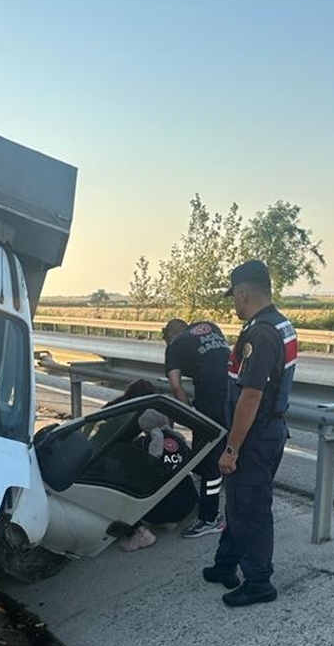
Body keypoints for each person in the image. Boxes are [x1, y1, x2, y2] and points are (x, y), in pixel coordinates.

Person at [203, 260, 297, 607]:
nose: (234, 304)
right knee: (240, 505)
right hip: (268, 431)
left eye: (234, 298)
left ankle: (258, 581)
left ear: (243, 293)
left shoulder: (259, 333)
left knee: (252, 509)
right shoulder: (280, 324)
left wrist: (231, 449)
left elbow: (252, 394)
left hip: (255, 436)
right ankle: (225, 564)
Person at [161, 317, 229, 538]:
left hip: (210, 403)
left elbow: (176, 386)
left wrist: (191, 417)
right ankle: (227, 498)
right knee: (225, 449)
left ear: (169, 336)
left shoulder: (175, 345)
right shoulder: (211, 327)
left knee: (209, 459)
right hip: (236, 394)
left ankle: (210, 518)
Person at [117, 407, 198, 552]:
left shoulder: (142, 444)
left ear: (143, 427)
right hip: (190, 498)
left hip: (165, 509)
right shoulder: (178, 438)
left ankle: (141, 534)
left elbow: (129, 472)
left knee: (121, 489)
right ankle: (171, 520)